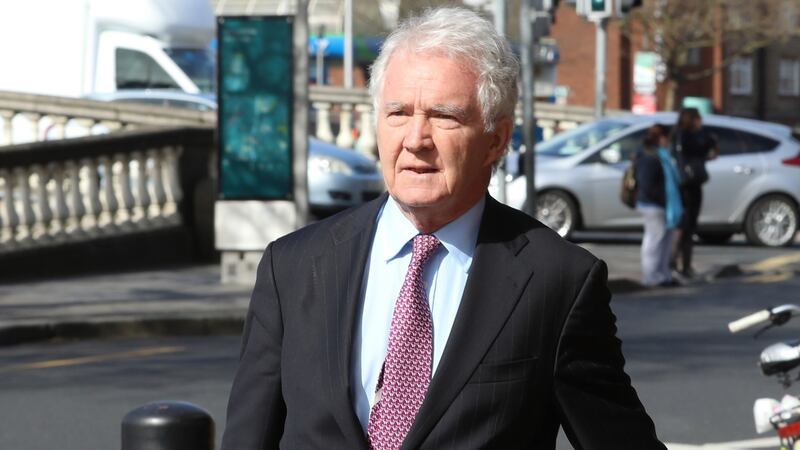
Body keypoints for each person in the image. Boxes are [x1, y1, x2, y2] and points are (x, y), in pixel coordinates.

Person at [221, 7, 665, 450]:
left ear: (497, 139)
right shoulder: (293, 267)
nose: (416, 138)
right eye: (397, 113)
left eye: (444, 116)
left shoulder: (558, 281)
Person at [671, 108, 718, 278]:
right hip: (687, 185)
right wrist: (709, 142)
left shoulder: (681, 135)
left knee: (687, 226)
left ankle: (682, 263)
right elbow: (703, 148)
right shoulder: (686, 136)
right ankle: (678, 262)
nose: (701, 122)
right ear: (692, 119)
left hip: (689, 184)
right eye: (698, 119)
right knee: (685, 226)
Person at [634, 125, 683, 287]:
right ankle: (651, 276)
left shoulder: (662, 155)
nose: (669, 141)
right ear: (661, 138)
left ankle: (663, 274)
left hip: (662, 205)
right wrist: (662, 199)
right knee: (655, 240)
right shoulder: (650, 156)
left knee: (664, 241)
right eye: (667, 138)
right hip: (652, 205)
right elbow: (646, 184)